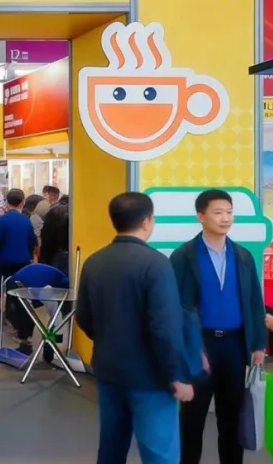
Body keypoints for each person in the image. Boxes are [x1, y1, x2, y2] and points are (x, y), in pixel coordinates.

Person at [76, 192, 192, 464]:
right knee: (160, 455)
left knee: (112, 448)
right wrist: (176, 374)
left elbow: (83, 316)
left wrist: (109, 339)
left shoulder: (94, 261)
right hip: (150, 378)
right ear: (147, 221)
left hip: (108, 371)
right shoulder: (156, 264)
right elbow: (165, 327)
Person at [170, 189, 267, 464]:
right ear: (201, 216)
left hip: (234, 345)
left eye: (229, 212)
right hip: (199, 345)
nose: (226, 218)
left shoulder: (242, 256)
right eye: (218, 212)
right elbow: (173, 305)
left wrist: (258, 345)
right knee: (193, 417)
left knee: (232, 417)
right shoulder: (183, 256)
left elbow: (254, 302)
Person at [0, 189, 38, 281]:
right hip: (24, 260)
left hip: (4, 261)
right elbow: (33, 241)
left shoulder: (2, 220)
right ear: (23, 202)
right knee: (21, 285)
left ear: (7, 202)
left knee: (6, 284)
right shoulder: (26, 220)